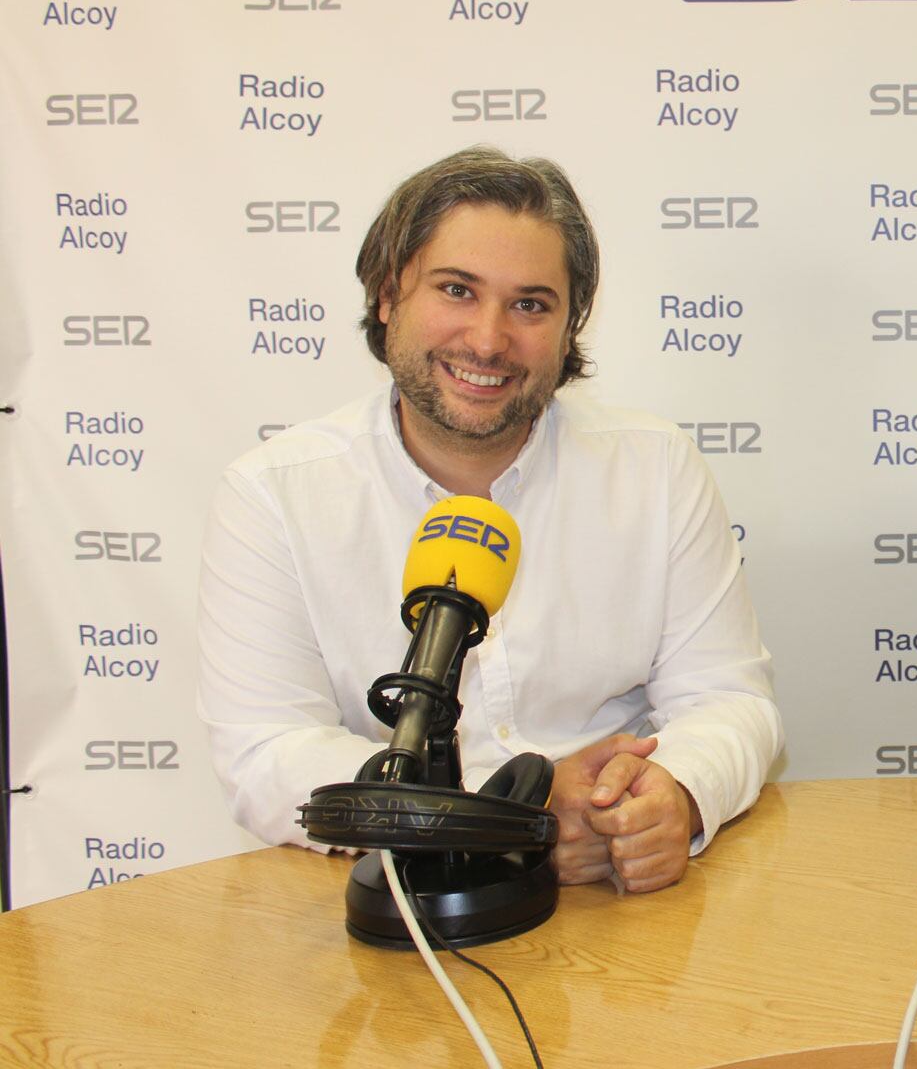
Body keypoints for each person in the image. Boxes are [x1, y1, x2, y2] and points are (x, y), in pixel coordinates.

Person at [198, 147, 781, 892]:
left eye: (531, 304)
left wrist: (670, 794)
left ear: (571, 327)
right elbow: (264, 749)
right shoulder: (272, 495)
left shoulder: (656, 468)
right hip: (391, 904)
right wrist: (510, 818)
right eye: (457, 290)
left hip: (617, 900)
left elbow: (732, 699)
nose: (487, 339)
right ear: (387, 296)